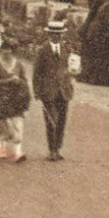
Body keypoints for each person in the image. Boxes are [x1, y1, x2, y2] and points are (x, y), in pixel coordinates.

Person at [33, 19, 75, 160]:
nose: (56, 36)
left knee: (62, 121)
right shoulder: (43, 51)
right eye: (53, 34)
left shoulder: (66, 49)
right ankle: (52, 150)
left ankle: (58, 148)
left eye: (59, 34)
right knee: (51, 121)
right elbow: (37, 73)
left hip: (63, 91)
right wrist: (37, 91)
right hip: (48, 91)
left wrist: (71, 77)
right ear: (49, 35)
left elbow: (71, 68)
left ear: (62, 35)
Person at [0, 42, 31, 161]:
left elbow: (25, 81)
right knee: (2, 124)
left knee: (17, 124)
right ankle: (2, 148)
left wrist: (18, 81)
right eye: (4, 49)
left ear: (12, 51)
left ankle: (18, 152)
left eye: (9, 49)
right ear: (0, 51)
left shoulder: (19, 64)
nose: (6, 52)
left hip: (16, 98)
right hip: (1, 98)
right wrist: (9, 80)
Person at [78, 0, 109, 86]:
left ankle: (91, 77)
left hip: (92, 32)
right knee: (101, 56)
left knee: (93, 56)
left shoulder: (101, 5)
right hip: (100, 34)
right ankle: (100, 79)